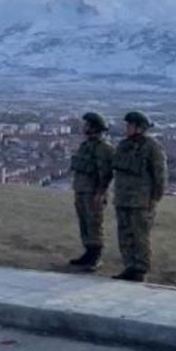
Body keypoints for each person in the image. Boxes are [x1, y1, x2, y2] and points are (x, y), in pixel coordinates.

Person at [110, 111, 168, 282]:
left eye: (130, 125)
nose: (126, 128)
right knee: (124, 234)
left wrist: (154, 198)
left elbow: (160, 175)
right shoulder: (123, 146)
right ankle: (129, 266)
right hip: (123, 199)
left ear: (140, 128)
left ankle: (140, 269)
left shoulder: (152, 147)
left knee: (140, 235)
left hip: (141, 201)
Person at [68, 112, 114, 270]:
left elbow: (106, 173)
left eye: (87, 125)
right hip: (82, 190)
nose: (84, 127)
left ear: (94, 128)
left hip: (93, 193)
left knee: (94, 224)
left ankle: (95, 257)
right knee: (85, 223)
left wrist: (100, 193)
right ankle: (88, 253)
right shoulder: (86, 145)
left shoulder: (104, 148)